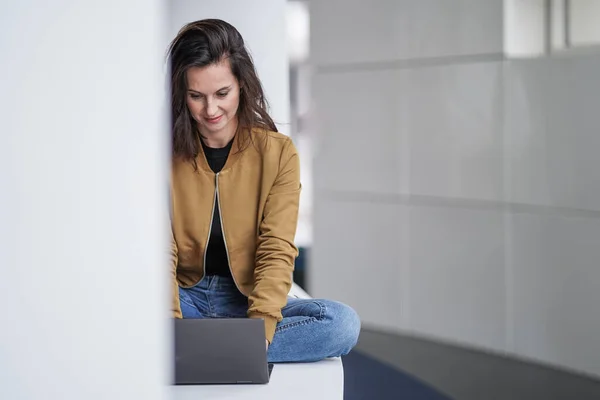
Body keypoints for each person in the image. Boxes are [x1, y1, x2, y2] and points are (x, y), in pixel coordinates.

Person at [167, 18, 360, 363]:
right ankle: (209, 349)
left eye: (222, 93)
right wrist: (170, 321)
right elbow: (160, 253)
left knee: (341, 324)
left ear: (242, 84)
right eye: (196, 96)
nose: (211, 110)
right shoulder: (163, 154)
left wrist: (260, 331)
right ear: (181, 94)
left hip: (247, 297)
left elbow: (276, 250)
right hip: (185, 297)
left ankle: (190, 353)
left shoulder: (278, 153)